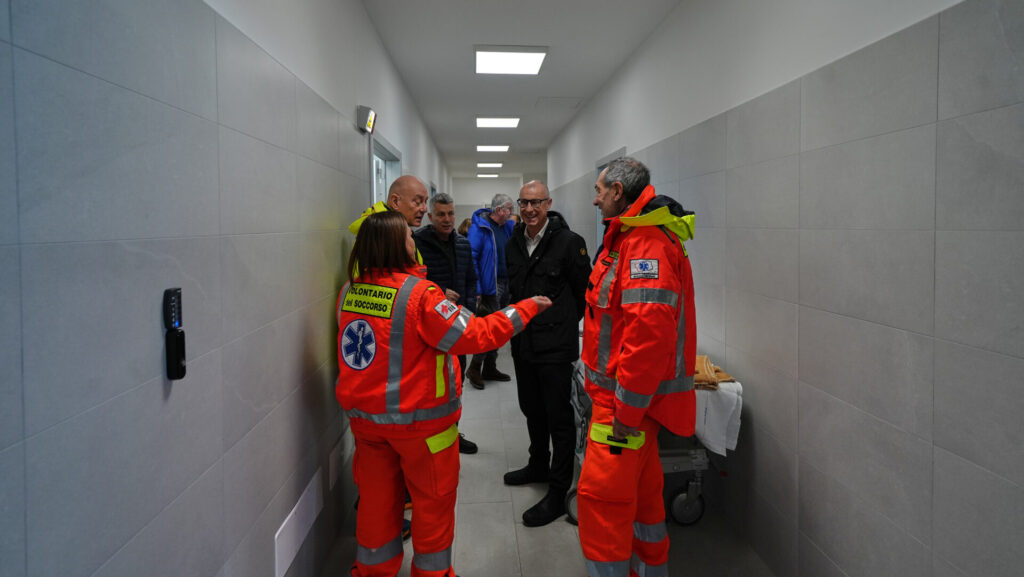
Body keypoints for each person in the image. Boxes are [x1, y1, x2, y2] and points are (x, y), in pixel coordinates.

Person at [337, 211, 551, 577]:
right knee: (432, 505)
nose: (413, 241)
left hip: (367, 426)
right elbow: (476, 335)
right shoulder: (419, 295)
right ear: (395, 245)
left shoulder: (350, 291)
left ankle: (373, 571)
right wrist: (524, 309)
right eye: (408, 236)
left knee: (376, 504)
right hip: (422, 428)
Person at [577, 157, 697, 577]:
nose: (594, 199)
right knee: (645, 503)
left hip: (623, 411)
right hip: (626, 406)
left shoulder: (644, 243)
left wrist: (625, 410)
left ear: (617, 192)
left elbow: (647, 338)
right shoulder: (626, 238)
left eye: (598, 190)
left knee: (604, 508)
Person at [505, 181, 591, 526]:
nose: (529, 209)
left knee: (558, 418)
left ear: (548, 203)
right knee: (531, 409)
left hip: (555, 347)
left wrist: (560, 324)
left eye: (536, 202)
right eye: (524, 202)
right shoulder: (513, 241)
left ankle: (558, 492)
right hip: (523, 342)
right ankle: (538, 464)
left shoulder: (569, 243)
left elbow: (583, 296)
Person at [413, 193, 479, 454]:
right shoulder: (417, 243)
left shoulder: (462, 244)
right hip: (427, 331)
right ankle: (425, 440)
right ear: (430, 216)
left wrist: (469, 313)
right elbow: (410, 282)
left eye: (450, 213)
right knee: (429, 388)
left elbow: (471, 280)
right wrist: (439, 291)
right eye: (441, 214)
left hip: (456, 328)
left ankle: (452, 433)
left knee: (455, 384)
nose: (447, 219)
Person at [465, 194, 516, 388]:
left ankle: (490, 367)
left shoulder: (508, 227)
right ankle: (475, 367)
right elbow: (472, 257)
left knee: (501, 328)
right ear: (499, 210)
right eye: (509, 209)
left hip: (506, 283)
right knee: (490, 330)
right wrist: (478, 288)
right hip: (490, 287)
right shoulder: (480, 228)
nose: (511, 213)